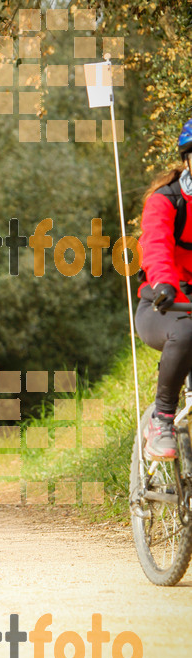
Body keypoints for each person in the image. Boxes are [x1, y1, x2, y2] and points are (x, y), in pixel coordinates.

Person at [135, 118, 192, 459]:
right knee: (186, 333)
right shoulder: (166, 200)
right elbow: (154, 246)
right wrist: (164, 285)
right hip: (164, 307)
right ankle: (162, 420)